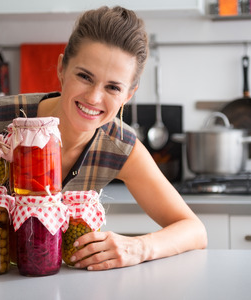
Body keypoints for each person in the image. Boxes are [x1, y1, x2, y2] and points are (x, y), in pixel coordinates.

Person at [37, 6, 207, 271]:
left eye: (113, 87)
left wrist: (139, 247)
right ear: (61, 68)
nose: (93, 98)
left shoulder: (120, 146)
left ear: (129, 94)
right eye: (84, 76)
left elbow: (195, 231)